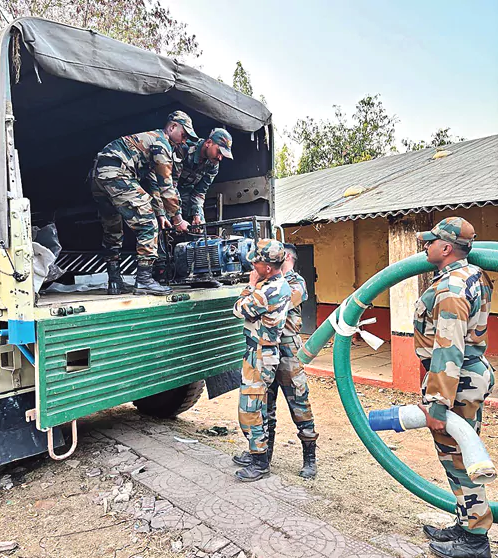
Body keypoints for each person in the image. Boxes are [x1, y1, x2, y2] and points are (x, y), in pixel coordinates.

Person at [414, 217, 493, 559]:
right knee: (455, 458)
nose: (425, 246)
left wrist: (437, 404)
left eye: (430, 242)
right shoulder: (473, 275)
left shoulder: (450, 289)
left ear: (446, 248)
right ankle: (465, 524)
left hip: (456, 380)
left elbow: (449, 349)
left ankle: (475, 539)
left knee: (460, 460)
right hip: (467, 376)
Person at [233, 243, 319, 478]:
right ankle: (261, 455)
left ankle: (309, 457)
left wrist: (256, 287)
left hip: (288, 353)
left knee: (299, 404)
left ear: (287, 259)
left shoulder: (294, 282)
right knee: (264, 406)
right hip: (270, 351)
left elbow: (279, 300)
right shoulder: (270, 283)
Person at [91, 111, 197, 296]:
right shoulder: (161, 144)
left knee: (113, 228)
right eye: (183, 134)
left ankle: (114, 281)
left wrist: (162, 214)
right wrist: (178, 219)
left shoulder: (149, 144)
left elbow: (153, 186)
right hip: (117, 172)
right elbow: (166, 187)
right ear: (172, 127)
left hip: (99, 174)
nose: (183, 140)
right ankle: (144, 280)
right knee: (147, 223)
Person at [232, 239, 291, 482]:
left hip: (259, 355)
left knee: (251, 410)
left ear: (268, 267)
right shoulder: (280, 284)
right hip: (262, 353)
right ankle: (259, 454)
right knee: (261, 407)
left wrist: (250, 285)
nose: (253, 266)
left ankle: (259, 463)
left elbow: (238, 309)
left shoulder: (265, 291)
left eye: (256, 262)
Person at [176, 128, 233, 226]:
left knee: (199, 224)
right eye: (219, 151)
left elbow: (199, 192)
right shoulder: (185, 148)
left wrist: (197, 215)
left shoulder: (213, 165)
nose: (220, 158)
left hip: (186, 195)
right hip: (166, 190)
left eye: (223, 155)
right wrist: (177, 218)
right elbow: (169, 183)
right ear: (208, 143)